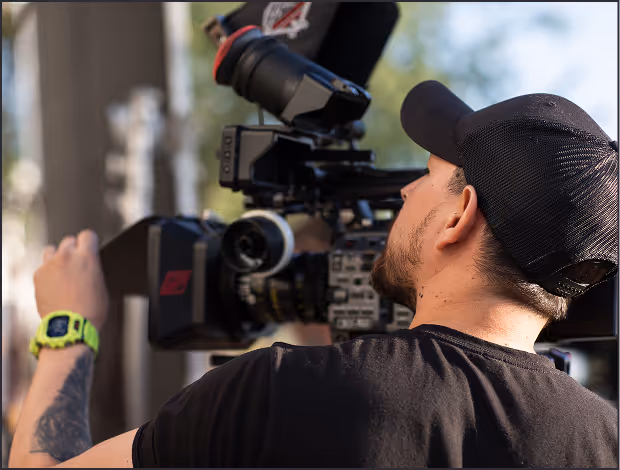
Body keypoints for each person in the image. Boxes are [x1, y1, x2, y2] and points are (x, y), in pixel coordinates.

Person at [8, 81, 618, 468]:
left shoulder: (281, 394)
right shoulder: (607, 442)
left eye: (428, 174)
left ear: (458, 216)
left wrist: (69, 326)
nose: (405, 191)